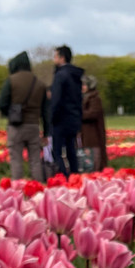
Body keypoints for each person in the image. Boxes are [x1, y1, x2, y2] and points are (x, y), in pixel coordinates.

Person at [0, 51, 50, 182]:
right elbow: (46, 112)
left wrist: (10, 114)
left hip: (16, 126)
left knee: (16, 159)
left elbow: (2, 103)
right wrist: (46, 132)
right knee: (35, 160)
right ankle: (37, 189)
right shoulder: (40, 83)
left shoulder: (11, 81)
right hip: (33, 125)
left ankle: (18, 191)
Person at [50, 45, 84, 175]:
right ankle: (75, 176)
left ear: (62, 58)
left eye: (55, 56)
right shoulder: (76, 75)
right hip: (74, 118)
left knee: (57, 151)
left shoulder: (60, 75)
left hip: (61, 119)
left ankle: (63, 176)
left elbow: (56, 99)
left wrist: (52, 118)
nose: (54, 59)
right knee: (71, 150)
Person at [80, 75, 108, 170]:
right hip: (85, 132)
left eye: (84, 85)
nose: (82, 87)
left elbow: (92, 114)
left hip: (93, 133)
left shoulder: (94, 98)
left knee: (94, 155)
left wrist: (77, 114)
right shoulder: (84, 98)